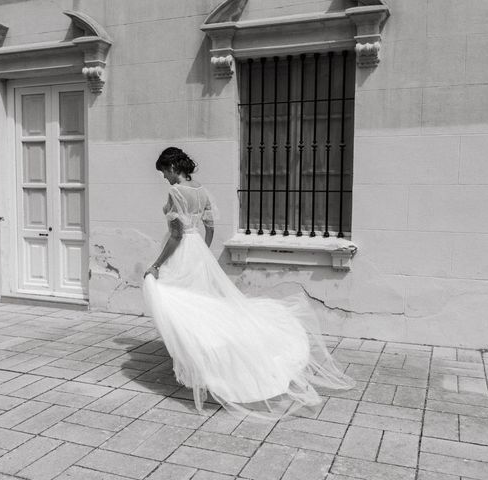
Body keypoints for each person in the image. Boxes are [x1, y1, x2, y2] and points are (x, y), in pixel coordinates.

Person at [142, 147, 354, 419]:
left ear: (172, 168)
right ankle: (206, 359)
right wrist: (204, 253)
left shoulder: (176, 192)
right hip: (198, 251)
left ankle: (201, 362)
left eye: (163, 173)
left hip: (182, 251)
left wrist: (157, 265)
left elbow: (175, 235)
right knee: (204, 305)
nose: (164, 179)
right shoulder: (201, 190)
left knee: (176, 302)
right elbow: (210, 227)